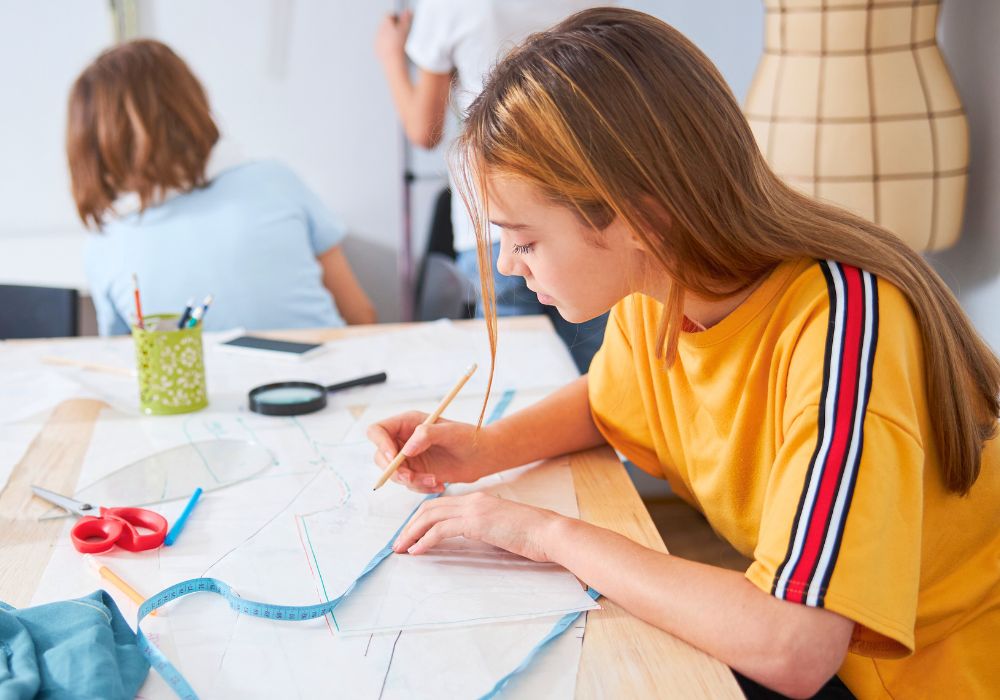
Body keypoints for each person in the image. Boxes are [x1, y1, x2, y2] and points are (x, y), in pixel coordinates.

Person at [367, 9, 1000, 699]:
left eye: (525, 240)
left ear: (638, 218)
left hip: (926, 675)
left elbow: (796, 644)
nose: (510, 266)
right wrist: (487, 449)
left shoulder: (842, 326)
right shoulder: (655, 293)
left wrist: (544, 534)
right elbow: (611, 402)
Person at [67, 40, 377, 336]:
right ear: (189, 104)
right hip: (324, 381)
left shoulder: (104, 245)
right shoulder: (275, 181)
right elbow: (362, 316)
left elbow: (127, 360)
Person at [374, 0, 608, 372]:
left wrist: (390, 53)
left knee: (515, 374)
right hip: (584, 211)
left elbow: (424, 129)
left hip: (493, 217)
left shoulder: (447, 7)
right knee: (597, 366)